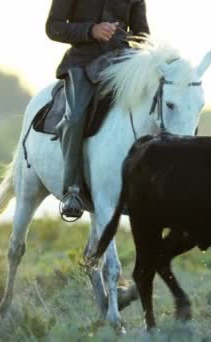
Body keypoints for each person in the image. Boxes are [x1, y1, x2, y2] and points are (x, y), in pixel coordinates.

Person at [46, 0, 150, 218]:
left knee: (151, 108)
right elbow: (53, 27)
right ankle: (72, 191)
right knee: (75, 118)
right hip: (82, 63)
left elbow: (143, 36)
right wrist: (91, 30)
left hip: (122, 62)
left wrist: (121, 37)